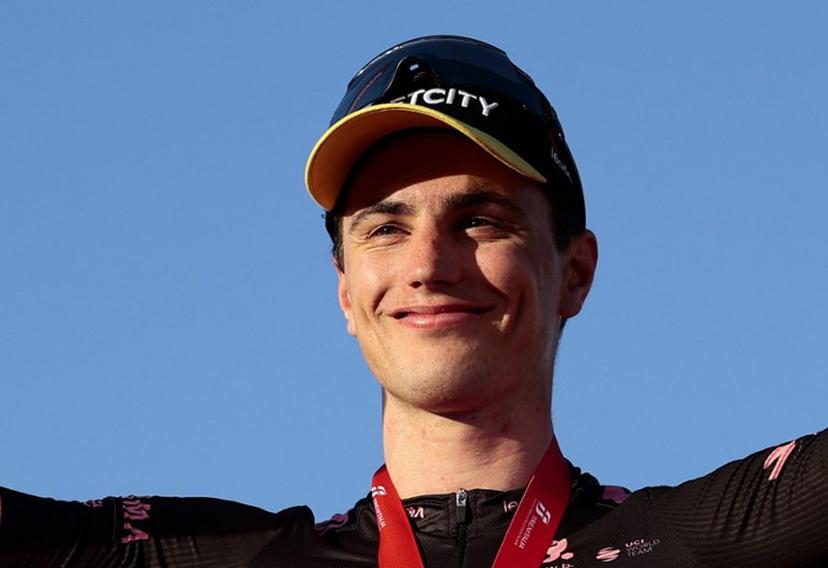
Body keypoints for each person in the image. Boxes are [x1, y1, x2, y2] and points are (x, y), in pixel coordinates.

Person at [1, 35, 825, 568]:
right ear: (345, 289)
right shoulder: (221, 553)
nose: (428, 264)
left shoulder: (706, 542)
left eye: (479, 220)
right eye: (385, 229)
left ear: (574, 272)